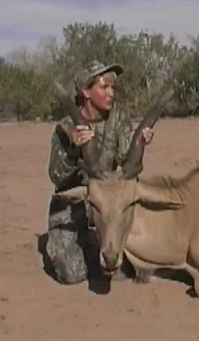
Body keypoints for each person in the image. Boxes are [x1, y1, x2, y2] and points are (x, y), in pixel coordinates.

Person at [45, 60, 154, 285]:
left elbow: (125, 167)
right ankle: (88, 245)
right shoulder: (66, 127)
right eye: (104, 87)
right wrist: (73, 150)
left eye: (112, 88)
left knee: (143, 258)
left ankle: (105, 243)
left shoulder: (119, 120)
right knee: (72, 273)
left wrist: (140, 143)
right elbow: (56, 177)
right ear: (85, 91)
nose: (111, 93)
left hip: (108, 205)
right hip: (73, 206)